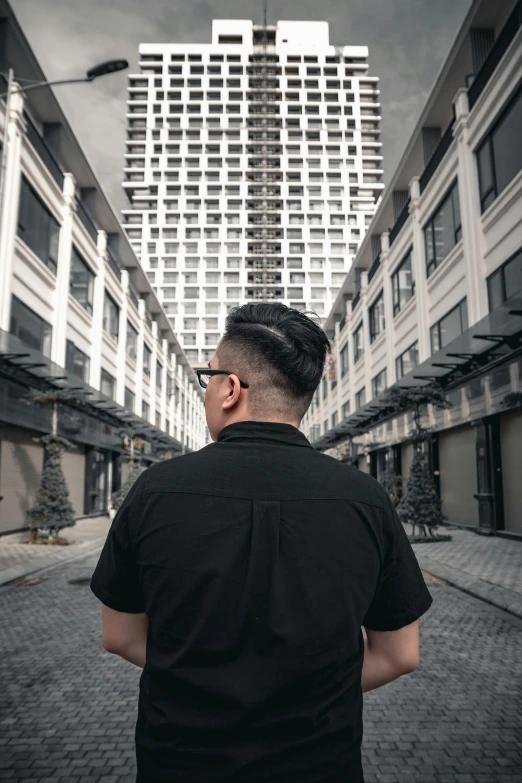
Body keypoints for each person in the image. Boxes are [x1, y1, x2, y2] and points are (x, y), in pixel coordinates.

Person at [90, 302, 433, 783]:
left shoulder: (155, 490)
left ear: (230, 388)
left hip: (181, 764)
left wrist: (203, 678)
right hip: (321, 766)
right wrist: (303, 690)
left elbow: (120, 636)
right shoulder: (366, 499)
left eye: (209, 375)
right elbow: (400, 654)